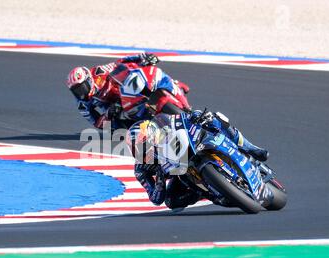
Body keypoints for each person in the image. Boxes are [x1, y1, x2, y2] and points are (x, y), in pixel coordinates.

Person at [126, 110, 269, 210]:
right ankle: (211, 193)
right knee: (171, 201)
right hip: (181, 172)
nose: (141, 150)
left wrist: (196, 115)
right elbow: (155, 199)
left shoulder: (163, 123)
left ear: (151, 134)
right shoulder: (141, 169)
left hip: (191, 144)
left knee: (215, 118)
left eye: (142, 144)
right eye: (136, 148)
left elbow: (183, 117)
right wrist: (160, 179)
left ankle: (251, 148)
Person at [66, 53, 189, 130]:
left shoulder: (99, 72)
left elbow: (120, 62)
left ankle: (186, 106)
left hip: (128, 89)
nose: (81, 93)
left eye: (82, 87)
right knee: (119, 128)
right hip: (117, 108)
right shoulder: (82, 105)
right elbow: (97, 124)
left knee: (155, 75)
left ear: (89, 80)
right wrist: (108, 114)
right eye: (76, 90)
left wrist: (143, 57)